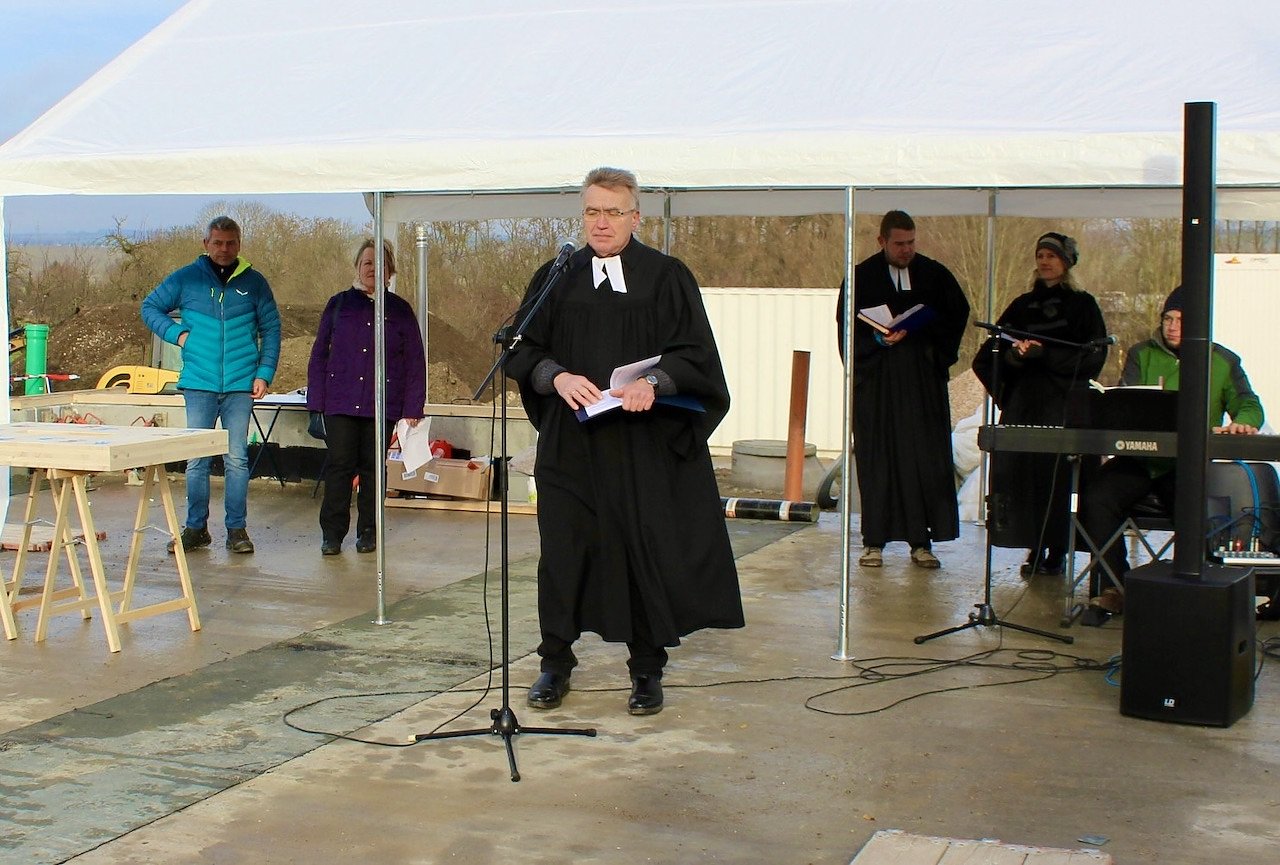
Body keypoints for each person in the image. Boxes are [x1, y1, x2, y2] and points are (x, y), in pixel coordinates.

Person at [506, 167, 743, 716]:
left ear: (635, 218)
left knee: (641, 551)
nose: (601, 223)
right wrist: (556, 377)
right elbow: (521, 347)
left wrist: (652, 383)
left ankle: (646, 670)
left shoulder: (666, 276)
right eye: (592, 211)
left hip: (641, 448)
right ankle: (555, 663)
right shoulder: (556, 276)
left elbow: (695, 355)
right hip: (572, 446)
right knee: (563, 553)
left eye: (613, 212)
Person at [1078, 285, 1264, 620]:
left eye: (1181, 320)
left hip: (1185, 466)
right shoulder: (1141, 354)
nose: (1173, 326)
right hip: (1138, 461)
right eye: (1168, 319)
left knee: (1195, 504)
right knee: (1096, 496)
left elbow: (1248, 403)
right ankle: (1113, 588)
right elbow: (1127, 397)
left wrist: (1244, 422)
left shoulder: (1222, 361)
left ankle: (1189, 590)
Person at [834, 210, 970, 569]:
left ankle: (921, 542)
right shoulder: (861, 277)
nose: (906, 249)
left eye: (911, 242)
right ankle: (873, 542)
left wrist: (925, 337)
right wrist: (876, 340)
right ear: (882, 241)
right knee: (878, 460)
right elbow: (847, 327)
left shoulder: (934, 274)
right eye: (899, 243)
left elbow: (956, 313)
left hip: (921, 385)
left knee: (922, 461)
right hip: (877, 386)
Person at [142, 216, 281, 555]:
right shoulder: (186, 278)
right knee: (197, 460)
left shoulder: (255, 283)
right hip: (199, 384)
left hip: (240, 385)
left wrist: (264, 373)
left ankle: (236, 530)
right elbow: (150, 307)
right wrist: (178, 335)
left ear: (239, 244)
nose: (224, 249)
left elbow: (272, 329)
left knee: (237, 460)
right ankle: (196, 528)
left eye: (230, 243)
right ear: (206, 244)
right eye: (217, 242)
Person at [972, 232, 1108, 577]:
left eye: (1052, 256)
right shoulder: (1022, 305)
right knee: (1025, 479)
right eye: (1041, 255)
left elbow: (1093, 356)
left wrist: (1047, 356)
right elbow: (989, 355)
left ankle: (1059, 548)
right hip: (1026, 406)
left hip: (1063, 406)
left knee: (1058, 480)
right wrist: (1016, 358)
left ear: (1066, 262)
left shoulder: (1084, 305)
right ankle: (1034, 543)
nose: (1045, 261)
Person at [306, 240, 426, 556]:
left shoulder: (400, 310)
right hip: (340, 402)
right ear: (358, 267)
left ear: (391, 271)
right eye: (368, 262)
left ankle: (369, 532)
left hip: (382, 405)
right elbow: (319, 355)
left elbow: (415, 361)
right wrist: (316, 402)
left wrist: (413, 406)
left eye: (381, 264)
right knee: (339, 467)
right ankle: (332, 535)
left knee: (373, 470)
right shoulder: (339, 305)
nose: (374, 269)